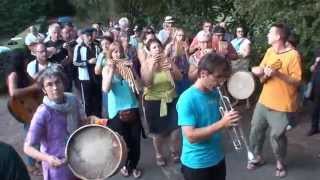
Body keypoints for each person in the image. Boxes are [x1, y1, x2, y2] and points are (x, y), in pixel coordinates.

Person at [248, 23, 302, 178]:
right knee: (255, 131)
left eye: (270, 33)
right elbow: (262, 70)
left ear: (278, 36)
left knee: (276, 137)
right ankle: (257, 157)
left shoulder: (293, 55)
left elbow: (297, 81)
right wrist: (257, 71)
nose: (267, 35)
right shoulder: (270, 51)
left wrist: (278, 74)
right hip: (263, 101)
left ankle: (280, 162)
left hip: (282, 105)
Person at [177, 53, 240, 180]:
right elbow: (191, 136)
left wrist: (230, 121)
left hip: (218, 157)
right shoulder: (187, 99)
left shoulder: (215, 93)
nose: (221, 83)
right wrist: (222, 123)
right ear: (203, 74)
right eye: (218, 78)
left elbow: (215, 121)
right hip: (197, 164)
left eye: (223, 79)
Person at [24, 65, 87, 180]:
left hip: (78, 160)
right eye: (49, 84)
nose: (55, 87)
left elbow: (82, 124)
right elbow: (28, 147)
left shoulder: (72, 100)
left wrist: (92, 122)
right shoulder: (43, 113)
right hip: (58, 168)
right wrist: (48, 159)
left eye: (57, 82)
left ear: (63, 83)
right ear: (43, 90)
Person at [102, 42, 142, 178]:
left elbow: (139, 88)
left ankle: (134, 165)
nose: (118, 54)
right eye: (114, 52)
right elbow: (105, 89)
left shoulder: (128, 66)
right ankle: (125, 164)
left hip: (132, 108)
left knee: (135, 141)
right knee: (122, 142)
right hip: (116, 112)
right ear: (110, 54)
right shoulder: (106, 69)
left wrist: (133, 71)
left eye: (119, 52)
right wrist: (112, 70)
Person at [141, 38, 182, 166]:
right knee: (158, 133)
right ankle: (159, 154)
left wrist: (171, 69)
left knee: (175, 130)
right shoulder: (146, 64)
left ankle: (174, 152)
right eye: (154, 47)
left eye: (159, 46)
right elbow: (146, 83)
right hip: (154, 102)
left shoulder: (167, 60)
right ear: (149, 50)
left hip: (171, 99)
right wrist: (153, 67)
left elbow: (179, 77)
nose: (157, 49)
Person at [6, 52, 42, 176]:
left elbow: (34, 83)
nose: (27, 62)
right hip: (22, 108)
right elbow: (13, 93)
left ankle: (37, 159)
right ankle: (30, 164)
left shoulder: (23, 72)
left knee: (38, 132)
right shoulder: (13, 75)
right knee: (31, 136)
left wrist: (39, 77)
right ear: (19, 61)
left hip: (29, 105)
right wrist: (33, 88)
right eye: (25, 60)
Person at [73, 28, 102, 117]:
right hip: (85, 78)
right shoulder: (79, 47)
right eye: (87, 36)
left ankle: (99, 120)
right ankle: (88, 120)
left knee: (98, 100)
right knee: (87, 101)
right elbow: (75, 62)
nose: (89, 38)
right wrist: (87, 62)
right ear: (83, 37)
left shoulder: (97, 46)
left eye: (90, 36)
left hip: (97, 77)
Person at [165, 28, 192, 94]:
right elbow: (164, 59)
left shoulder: (185, 45)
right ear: (175, 36)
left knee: (185, 92)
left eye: (183, 35)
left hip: (184, 73)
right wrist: (174, 56)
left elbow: (189, 62)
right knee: (176, 94)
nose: (181, 37)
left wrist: (186, 51)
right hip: (174, 74)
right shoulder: (170, 46)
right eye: (179, 35)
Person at [230, 26, 252, 108]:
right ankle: (237, 100)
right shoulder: (233, 41)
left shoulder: (246, 41)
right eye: (238, 31)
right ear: (236, 33)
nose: (240, 33)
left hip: (243, 63)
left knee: (245, 80)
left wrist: (238, 55)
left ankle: (247, 101)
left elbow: (248, 53)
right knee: (235, 81)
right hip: (234, 64)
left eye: (241, 31)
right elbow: (230, 53)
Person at [307, 48, 320, 136]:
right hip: (316, 85)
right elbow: (311, 69)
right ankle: (314, 128)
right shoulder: (317, 51)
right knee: (315, 108)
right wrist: (316, 62)